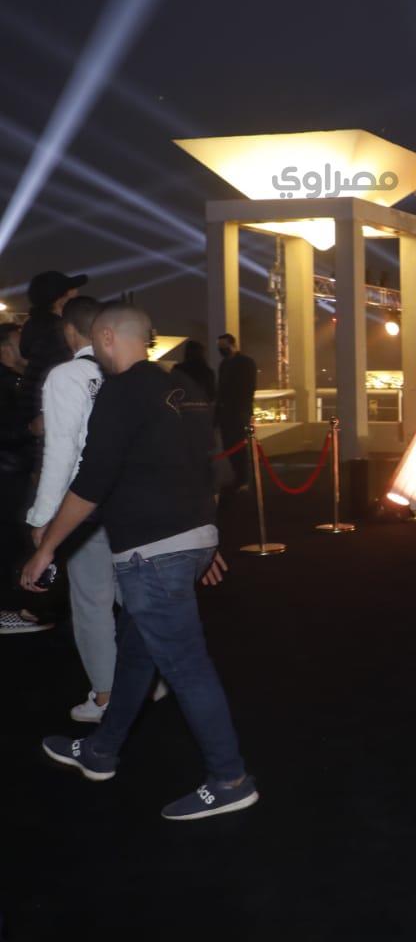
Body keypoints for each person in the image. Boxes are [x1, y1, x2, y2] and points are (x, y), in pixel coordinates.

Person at [25, 304, 257, 821]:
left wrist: (46, 546)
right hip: (186, 538)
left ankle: (230, 779)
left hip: (153, 552)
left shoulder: (121, 391)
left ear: (107, 337)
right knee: (136, 655)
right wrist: (204, 539)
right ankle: (102, 750)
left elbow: (92, 481)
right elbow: (203, 471)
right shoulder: (186, 389)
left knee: (187, 667)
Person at [27, 297, 115, 721]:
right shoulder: (125, 372)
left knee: (92, 602)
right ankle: (147, 680)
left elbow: (61, 451)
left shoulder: (67, 376)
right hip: (130, 502)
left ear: (69, 330)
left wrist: (43, 518)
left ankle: (105, 696)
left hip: (85, 505)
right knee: (135, 600)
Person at [0, 323, 46, 636]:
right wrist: (30, 429)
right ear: (5, 348)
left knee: (16, 540)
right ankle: (8, 610)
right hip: (7, 475)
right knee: (8, 541)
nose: (28, 347)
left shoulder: (19, 381)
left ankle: (15, 607)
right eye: (21, 342)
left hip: (15, 472)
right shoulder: (7, 384)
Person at [18, 270, 85, 431]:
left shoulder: (33, 328)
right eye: (71, 291)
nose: (77, 293)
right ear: (60, 300)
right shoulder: (59, 335)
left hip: (36, 418)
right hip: (54, 421)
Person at [215, 333, 256, 492]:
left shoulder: (246, 363)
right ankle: (238, 477)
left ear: (232, 345)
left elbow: (249, 388)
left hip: (240, 410)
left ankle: (243, 479)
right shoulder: (224, 364)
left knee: (239, 444)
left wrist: (246, 410)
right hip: (225, 412)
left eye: (223, 346)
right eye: (219, 347)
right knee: (228, 445)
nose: (221, 349)